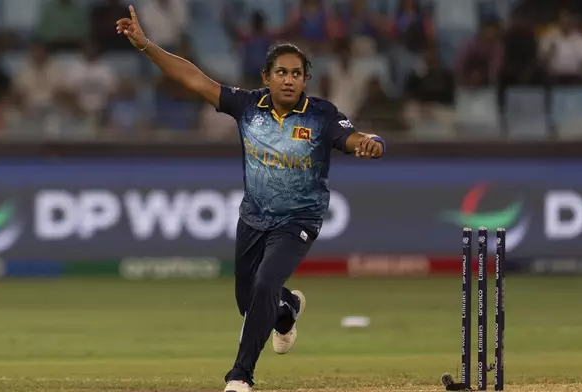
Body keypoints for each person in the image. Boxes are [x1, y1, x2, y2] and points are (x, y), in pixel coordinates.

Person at [116, 6, 386, 392]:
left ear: (306, 79)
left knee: (264, 285)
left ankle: (240, 375)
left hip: (298, 221)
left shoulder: (321, 116)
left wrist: (369, 144)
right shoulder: (248, 107)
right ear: (266, 77)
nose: (289, 80)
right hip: (253, 219)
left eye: (296, 74)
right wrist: (146, 46)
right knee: (251, 302)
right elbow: (193, 79)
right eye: (281, 73)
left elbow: (353, 137)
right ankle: (287, 310)